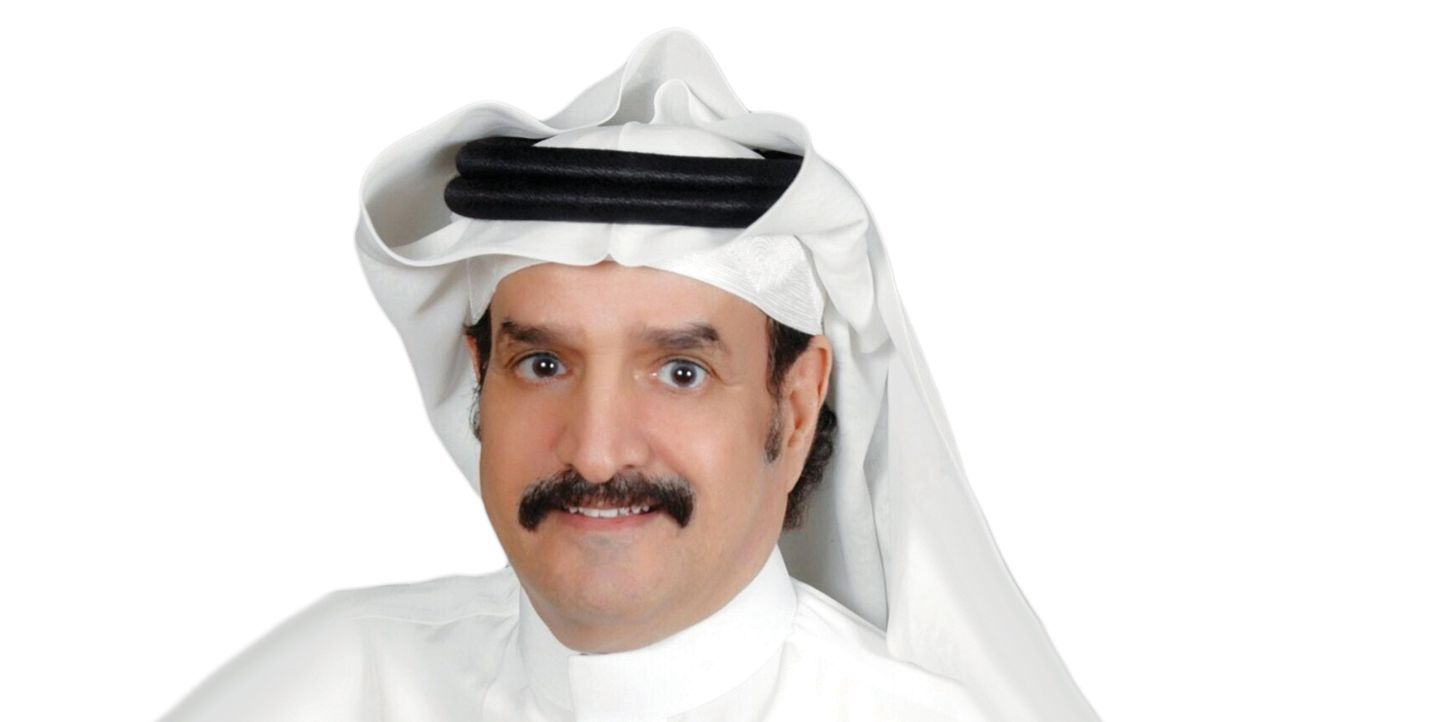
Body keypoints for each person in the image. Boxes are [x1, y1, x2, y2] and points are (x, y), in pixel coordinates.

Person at [159, 28, 1100, 722]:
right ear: (481, 380)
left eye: (680, 371)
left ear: (795, 407)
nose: (598, 450)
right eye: (543, 363)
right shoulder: (339, 683)